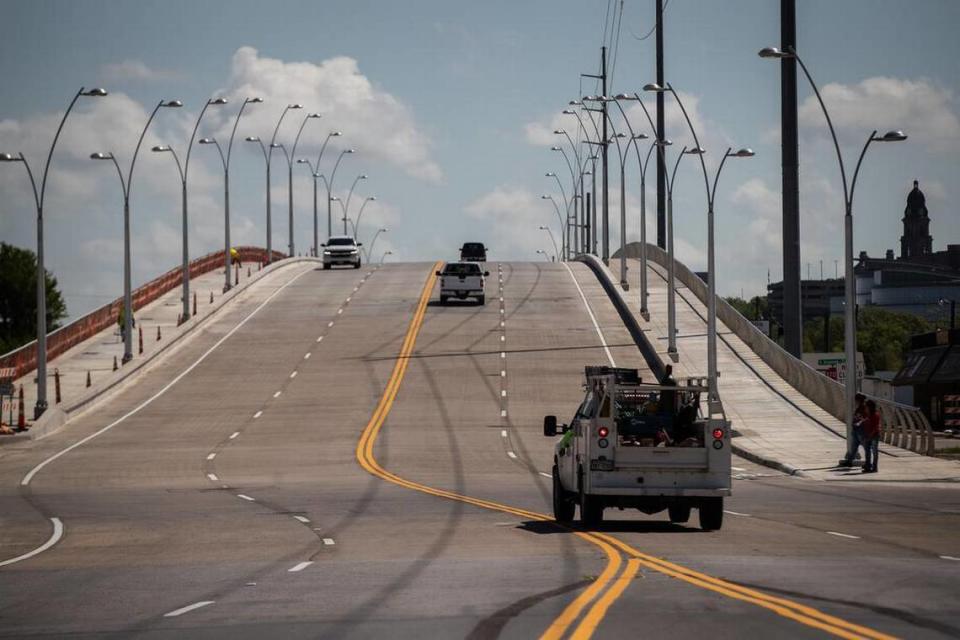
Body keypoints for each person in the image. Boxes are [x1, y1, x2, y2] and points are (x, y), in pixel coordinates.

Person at [840, 393, 867, 467]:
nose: (855, 402)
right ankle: (850, 461)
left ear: (859, 400)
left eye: (856, 400)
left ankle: (869, 462)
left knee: (866, 447)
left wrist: (859, 423)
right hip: (856, 430)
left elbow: (864, 418)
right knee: (853, 447)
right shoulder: (859, 408)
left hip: (861, 430)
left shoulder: (864, 408)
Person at [862, 400, 881, 473]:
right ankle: (868, 466)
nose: (865, 408)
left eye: (866, 406)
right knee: (867, 451)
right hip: (868, 435)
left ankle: (874, 467)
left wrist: (870, 435)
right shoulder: (867, 415)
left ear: (870, 407)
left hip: (874, 436)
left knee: (874, 451)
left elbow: (876, 427)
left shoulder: (875, 415)